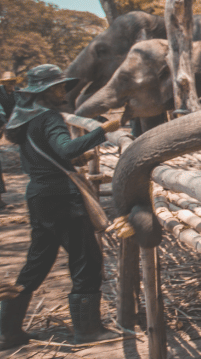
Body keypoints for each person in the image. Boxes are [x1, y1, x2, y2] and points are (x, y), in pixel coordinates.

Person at [0, 65, 122, 350]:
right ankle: (88, 330)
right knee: (86, 259)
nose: (62, 91)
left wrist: (71, 162)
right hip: (61, 199)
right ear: (43, 91)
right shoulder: (50, 116)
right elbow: (66, 148)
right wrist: (104, 129)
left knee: (37, 262)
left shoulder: (26, 120)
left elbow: (45, 157)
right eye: (57, 87)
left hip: (39, 195)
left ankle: (7, 330)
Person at [0, 71, 16, 211]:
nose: (12, 85)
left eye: (13, 82)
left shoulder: (15, 93)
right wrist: (5, 123)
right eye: (9, 82)